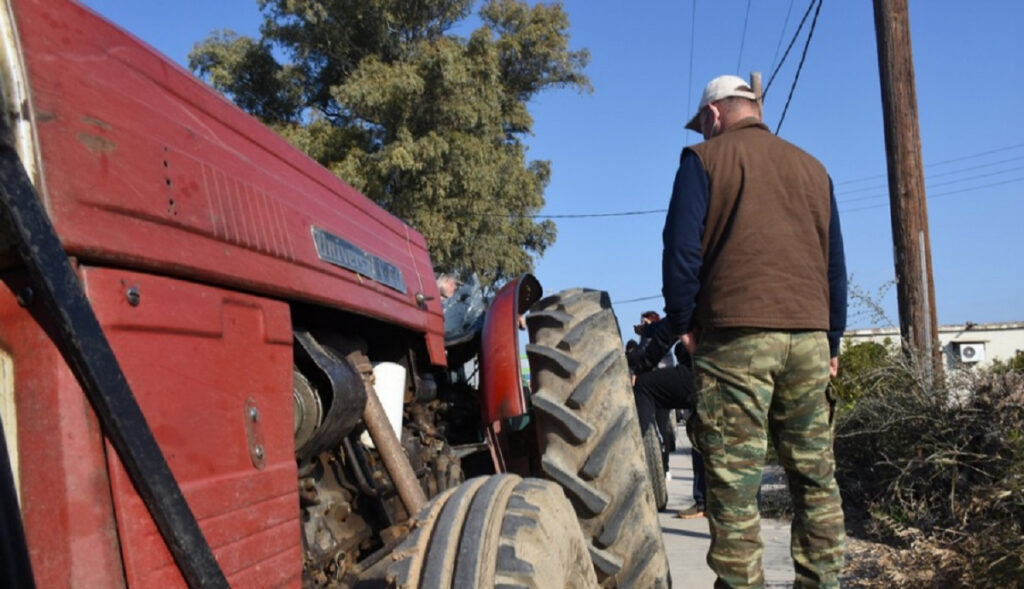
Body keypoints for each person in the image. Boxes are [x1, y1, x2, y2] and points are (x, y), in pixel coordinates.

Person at [643, 74, 848, 588]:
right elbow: (835, 267)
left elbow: (681, 251)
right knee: (815, 479)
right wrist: (833, 342)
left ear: (713, 115)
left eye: (703, 124)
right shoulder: (813, 168)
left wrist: (686, 325)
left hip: (735, 338)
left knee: (735, 485)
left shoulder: (702, 159)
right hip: (809, 338)